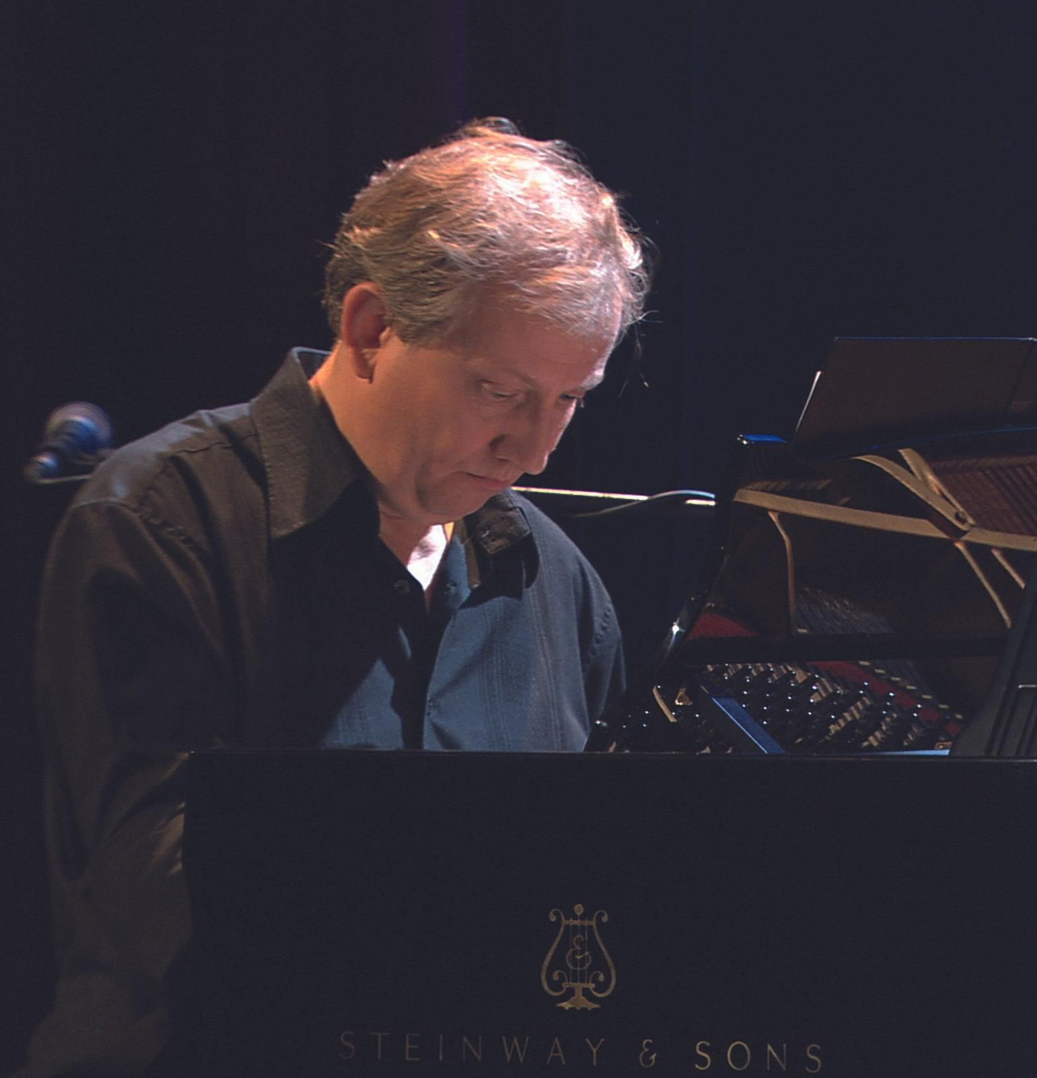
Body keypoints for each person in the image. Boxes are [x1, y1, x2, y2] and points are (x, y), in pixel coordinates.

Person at [19, 119, 649, 1077]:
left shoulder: (555, 582)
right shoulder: (161, 524)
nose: (536, 451)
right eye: (498, 391)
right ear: (370, 330)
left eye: (569, 399)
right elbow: (169, 905)